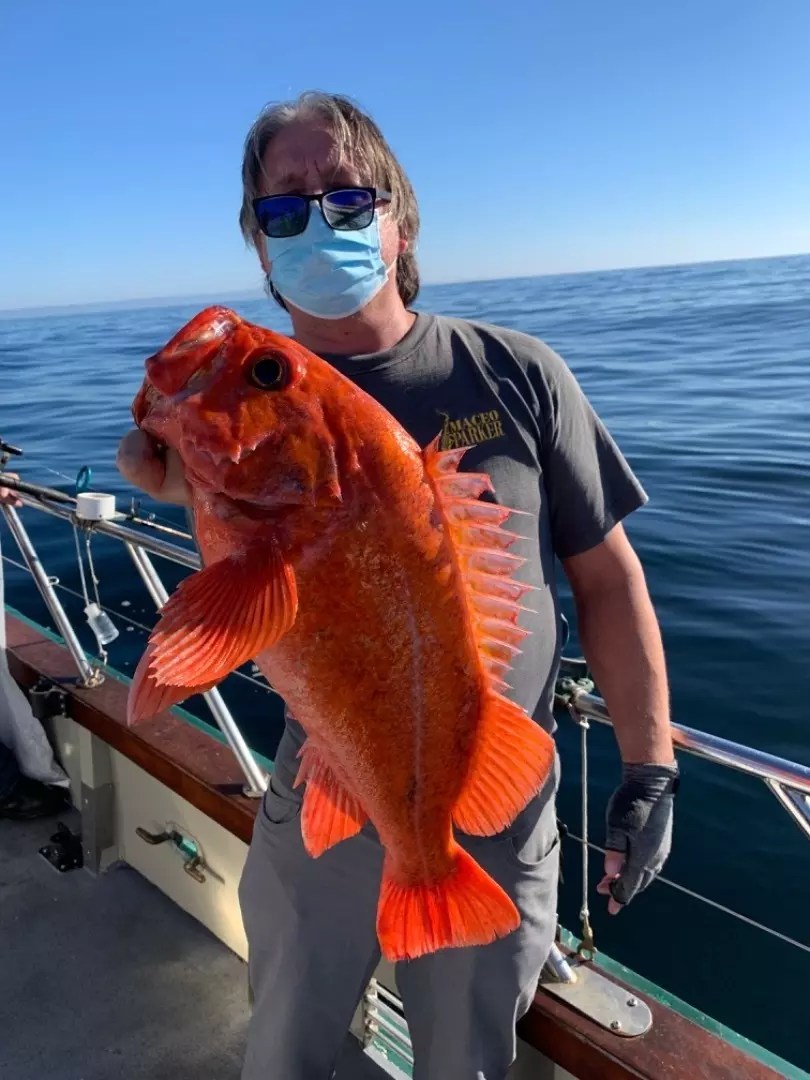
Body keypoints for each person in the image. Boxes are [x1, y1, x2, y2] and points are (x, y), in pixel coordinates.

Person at [116, 92, 679, 1080]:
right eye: (283, 210)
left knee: (466, 1062)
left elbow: (610, 580)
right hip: (321, 787)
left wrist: (651, 766)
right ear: (258, 246)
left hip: (491, 810)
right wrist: (182, 467)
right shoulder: (256, 440)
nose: (315, 221)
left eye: (344, 197)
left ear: (400, 222)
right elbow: (247, 596)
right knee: (285, 1047)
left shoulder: (518, 372)